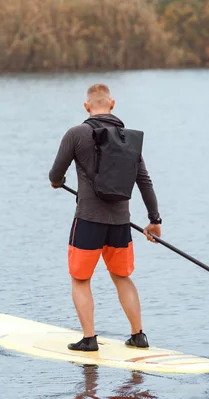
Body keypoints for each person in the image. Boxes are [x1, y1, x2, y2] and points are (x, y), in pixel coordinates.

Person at [49, 83, 162, 351]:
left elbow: (55, 175)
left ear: (87, 107)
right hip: (121, 224)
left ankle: (89, 339)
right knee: (121, 277)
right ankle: (138, 335)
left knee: (80, 279)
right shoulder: (129, 140)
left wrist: (57, 181)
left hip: (88, 220)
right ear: (112, 104)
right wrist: (155, 220)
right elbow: (144, 181)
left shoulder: (76, 134)